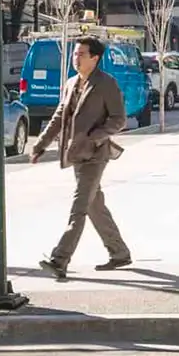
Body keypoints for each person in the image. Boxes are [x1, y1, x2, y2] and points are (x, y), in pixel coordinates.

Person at [32, 36, 132, 280]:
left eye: (81, 55)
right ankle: (119, 252)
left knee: (79, 207)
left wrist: (95, 137)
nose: (76, 59)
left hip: (95, 155)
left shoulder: (106, 84)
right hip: (76, 153)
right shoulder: (71, 83)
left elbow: (119, 119)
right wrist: (40, 144)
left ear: (95, 59)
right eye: (75, 54)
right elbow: (58, 117)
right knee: (94, 205)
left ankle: (60, 259)